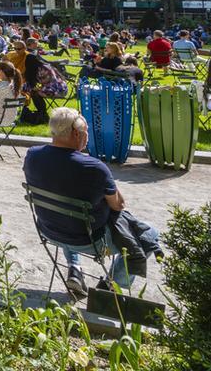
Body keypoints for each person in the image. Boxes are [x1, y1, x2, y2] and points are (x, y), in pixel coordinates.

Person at [23, 108, 159, 297]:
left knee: (67, 213)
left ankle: (75, 268)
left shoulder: (32, 156)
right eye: (86, 132)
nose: (88, 137)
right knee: (150, 233)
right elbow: (118, 205)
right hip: (89, 240)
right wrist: (107, 176)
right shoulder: (94, 168)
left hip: (50, 229)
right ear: (76, 134)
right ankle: (112, 285)